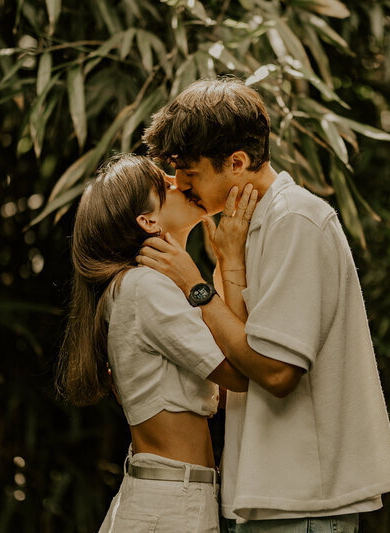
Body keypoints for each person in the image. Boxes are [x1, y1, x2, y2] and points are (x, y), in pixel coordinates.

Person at [137, 78, 390, 532]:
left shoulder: (296, 221)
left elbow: (277, 372)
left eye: (191, 172)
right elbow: (236, 354)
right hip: (267, 499)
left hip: (305, 503)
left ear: (237, 163)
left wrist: (195, 285)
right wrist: (229, 263)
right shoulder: (243, 229)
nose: (177, 183)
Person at [55, 153, 257, 533]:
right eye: (164, 184)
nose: (178, 181)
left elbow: (231, 386)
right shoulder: (144, 288)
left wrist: (216, 269)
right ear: (148, 221)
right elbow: (245, 374)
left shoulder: (150, 287)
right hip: (170, 505)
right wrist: (230, 262)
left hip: (171, 497)